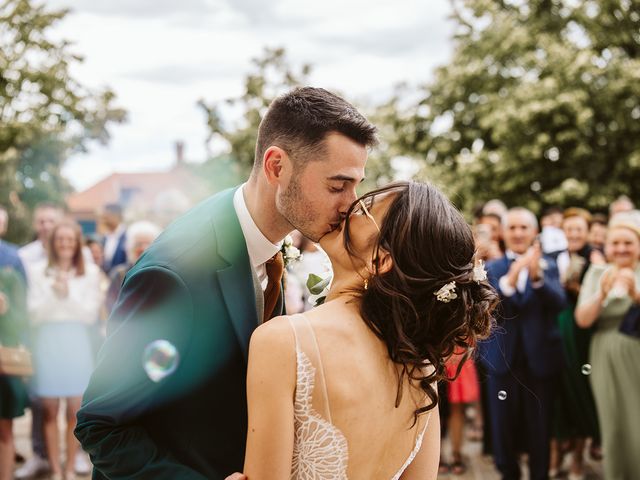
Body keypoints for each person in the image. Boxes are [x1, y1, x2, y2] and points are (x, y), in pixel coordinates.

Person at [75, 86, 378, 479]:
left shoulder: (273, 247)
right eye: (337, 186)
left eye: (356, 185)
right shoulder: (173, 276)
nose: (351, 203)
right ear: (276, 167)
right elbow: (100, 426)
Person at [240, 181, 497, 479]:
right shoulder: (420, 368)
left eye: (362, 209)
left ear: (380, 260)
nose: (347, 207)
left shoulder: (284, 342)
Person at [478, 207, 567, 480]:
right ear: (503, 232)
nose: (518, 233)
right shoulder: (491, 268)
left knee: (540, 432)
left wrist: (537, 279)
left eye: (523, 228)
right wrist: (512, 279)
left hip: (540, 363)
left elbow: (559, 303)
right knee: (503, 433)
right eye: (512, 228)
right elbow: (488, 309)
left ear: (534, 232)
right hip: (502, 361)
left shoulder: (549, 266)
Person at [27, 219, 104, 480]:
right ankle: (56, 469)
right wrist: (54, 294)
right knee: (49, 409)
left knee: (75, 410)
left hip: (76, 341)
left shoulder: (90, 273)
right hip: (48, 340)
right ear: (52, 242)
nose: (65, 244)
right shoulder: (37, 271)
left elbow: (88, 314)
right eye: (60, 239)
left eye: (70, 239)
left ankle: (70, 467)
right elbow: (34, 314)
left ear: (77, 243)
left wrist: (67, 293)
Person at [575, 211, 640, 480]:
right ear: (607, 246)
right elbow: (582, 319)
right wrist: (601, 292)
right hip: (606, 355)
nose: (622, 248)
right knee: (614, 423)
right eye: (616, 243)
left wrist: (636, 294)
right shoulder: (597, 273)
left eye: (628, 243)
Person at [549, 208, 604, 479]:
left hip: (581, 334)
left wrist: (576, 289)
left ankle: (578, 458)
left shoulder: (595, 258)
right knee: (556, 394)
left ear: (586, 231)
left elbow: (601, 297)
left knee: (580, 390)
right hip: (553, 331)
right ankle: (557, 453)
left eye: (578, 229)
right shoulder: (551, 256)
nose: (573, 234)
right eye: (568, 229)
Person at [0, 207, 28, 480]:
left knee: (4, 426)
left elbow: (24, 313)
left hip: (4, 350)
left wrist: (7, 310)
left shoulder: (12, 261)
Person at [105, 221, 162, 314]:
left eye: (148, 244)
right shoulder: (119, 273)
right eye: (138, 244)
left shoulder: (162, 274)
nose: (143, 248)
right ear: (129, 247)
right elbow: (110, 305)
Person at [100, 204, 127, 274]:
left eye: (106, 216)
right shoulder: (103, 238)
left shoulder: (127, 237)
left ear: (116, 216)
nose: (103, 218)